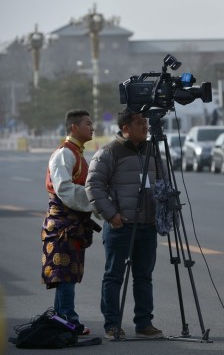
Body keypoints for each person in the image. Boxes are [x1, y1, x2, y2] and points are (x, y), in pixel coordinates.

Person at [85, 110, 164, 340]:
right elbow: (94, 186)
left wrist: (163, 215)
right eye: (140, 123)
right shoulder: (109, 152)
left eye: (146, 123)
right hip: (121, 226)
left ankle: (144, 324)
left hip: (147, 226)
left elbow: (164, 182)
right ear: (126, 128)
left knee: (144, 277)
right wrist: (111, 215)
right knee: (114, 277)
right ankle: (112, 324)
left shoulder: (153, 150)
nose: (145, 127)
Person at [41, 109, 101, 336]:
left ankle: (62, 319)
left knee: (67, 273)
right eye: (88, 123)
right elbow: (64, 189)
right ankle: (67, 318)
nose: (92, 127)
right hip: (63, 226)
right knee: (65, 273)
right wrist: (94, 198)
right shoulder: (65, 154)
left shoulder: (76, 152)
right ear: (74, 127)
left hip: (71, 226)